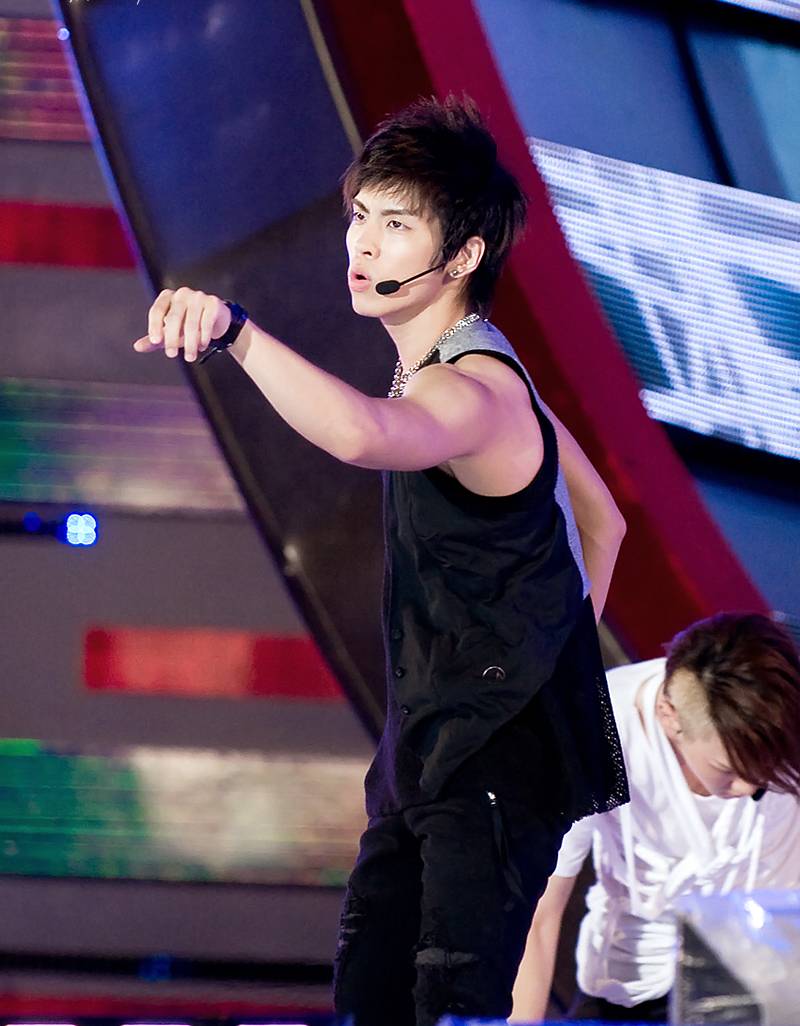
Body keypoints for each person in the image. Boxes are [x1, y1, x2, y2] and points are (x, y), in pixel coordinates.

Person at [135, 96, 629, 1026]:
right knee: (370, 1000)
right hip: (430, 757)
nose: (362, 243)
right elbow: (604, 524)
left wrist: (237, 332)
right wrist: (541, 671)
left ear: (464, 255)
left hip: (484, 771)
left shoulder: (475, 390)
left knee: (445, 1007)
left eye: (397, 225)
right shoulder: (472, 372)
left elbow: (364, 434)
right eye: (361, 215)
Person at [512, 610, 800, 1024]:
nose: (752, 785)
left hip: (764, 983)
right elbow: (538, 913)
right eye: (730, 770)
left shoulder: (785, 725)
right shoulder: (595, 725)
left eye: (765, 768)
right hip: (634, 986)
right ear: (670, 716)